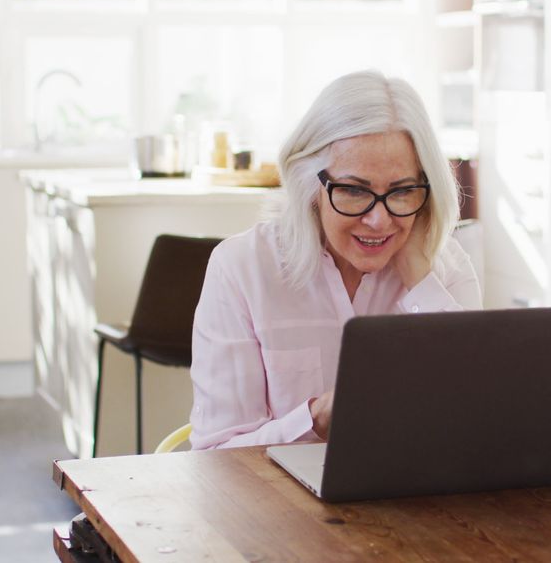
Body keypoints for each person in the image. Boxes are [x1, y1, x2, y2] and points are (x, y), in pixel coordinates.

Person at [188, 70, 482, 450]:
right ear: (311, 185)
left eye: (402, 191)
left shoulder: (446, 268)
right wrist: (315, 418)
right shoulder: (242, 268)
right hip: (274, 506)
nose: (378, 219)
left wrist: (420, 280)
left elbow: (475, 422)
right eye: (355, 191)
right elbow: (215, 456)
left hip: (410, 503)